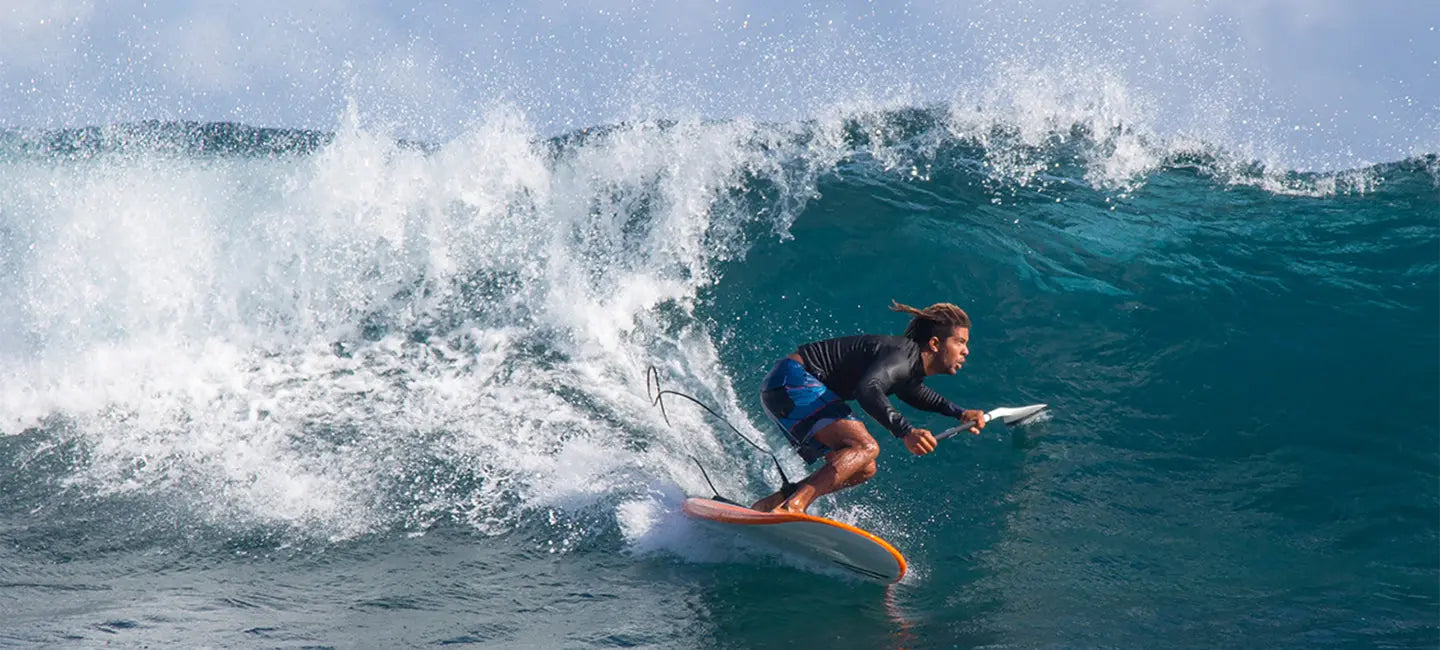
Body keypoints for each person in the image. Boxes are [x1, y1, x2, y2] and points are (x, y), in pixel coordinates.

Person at [750, 300, 986, 514]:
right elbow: (868, 389)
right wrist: (906, 431)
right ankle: (795, 505)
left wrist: (960, 413)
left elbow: (916, 393)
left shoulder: (908, 367)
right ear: (935, 344)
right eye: (960, 342)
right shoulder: (901, 355)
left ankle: (774, 504)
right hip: (794, 380)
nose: (966, 351)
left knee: (864, 467)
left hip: (788, 389)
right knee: (866, 446)